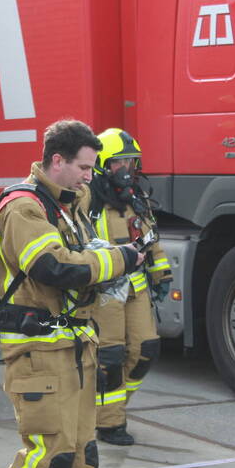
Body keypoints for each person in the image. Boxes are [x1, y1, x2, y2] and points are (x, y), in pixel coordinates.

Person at [0, 119, 144, 468]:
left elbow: (81, 253)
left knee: (80, 461)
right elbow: (53, 267)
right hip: (40, 354)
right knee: (49, 460)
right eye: (84, 168)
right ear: (57, 161)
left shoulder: (66, 202)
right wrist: (120, 259)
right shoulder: (25, 208)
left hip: (75, 348)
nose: (90, 177)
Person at [88, 128, 171, 446]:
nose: (126, 170)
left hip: (135, 288)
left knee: (146, 349)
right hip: (105, 291)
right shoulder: (89, 203)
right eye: (118, 163)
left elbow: (150, 240)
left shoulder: (136, 200)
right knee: (109, 356)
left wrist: (162, 275)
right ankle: (109, 423)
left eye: (131, 163)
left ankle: (110, 408)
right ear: (102, 165)